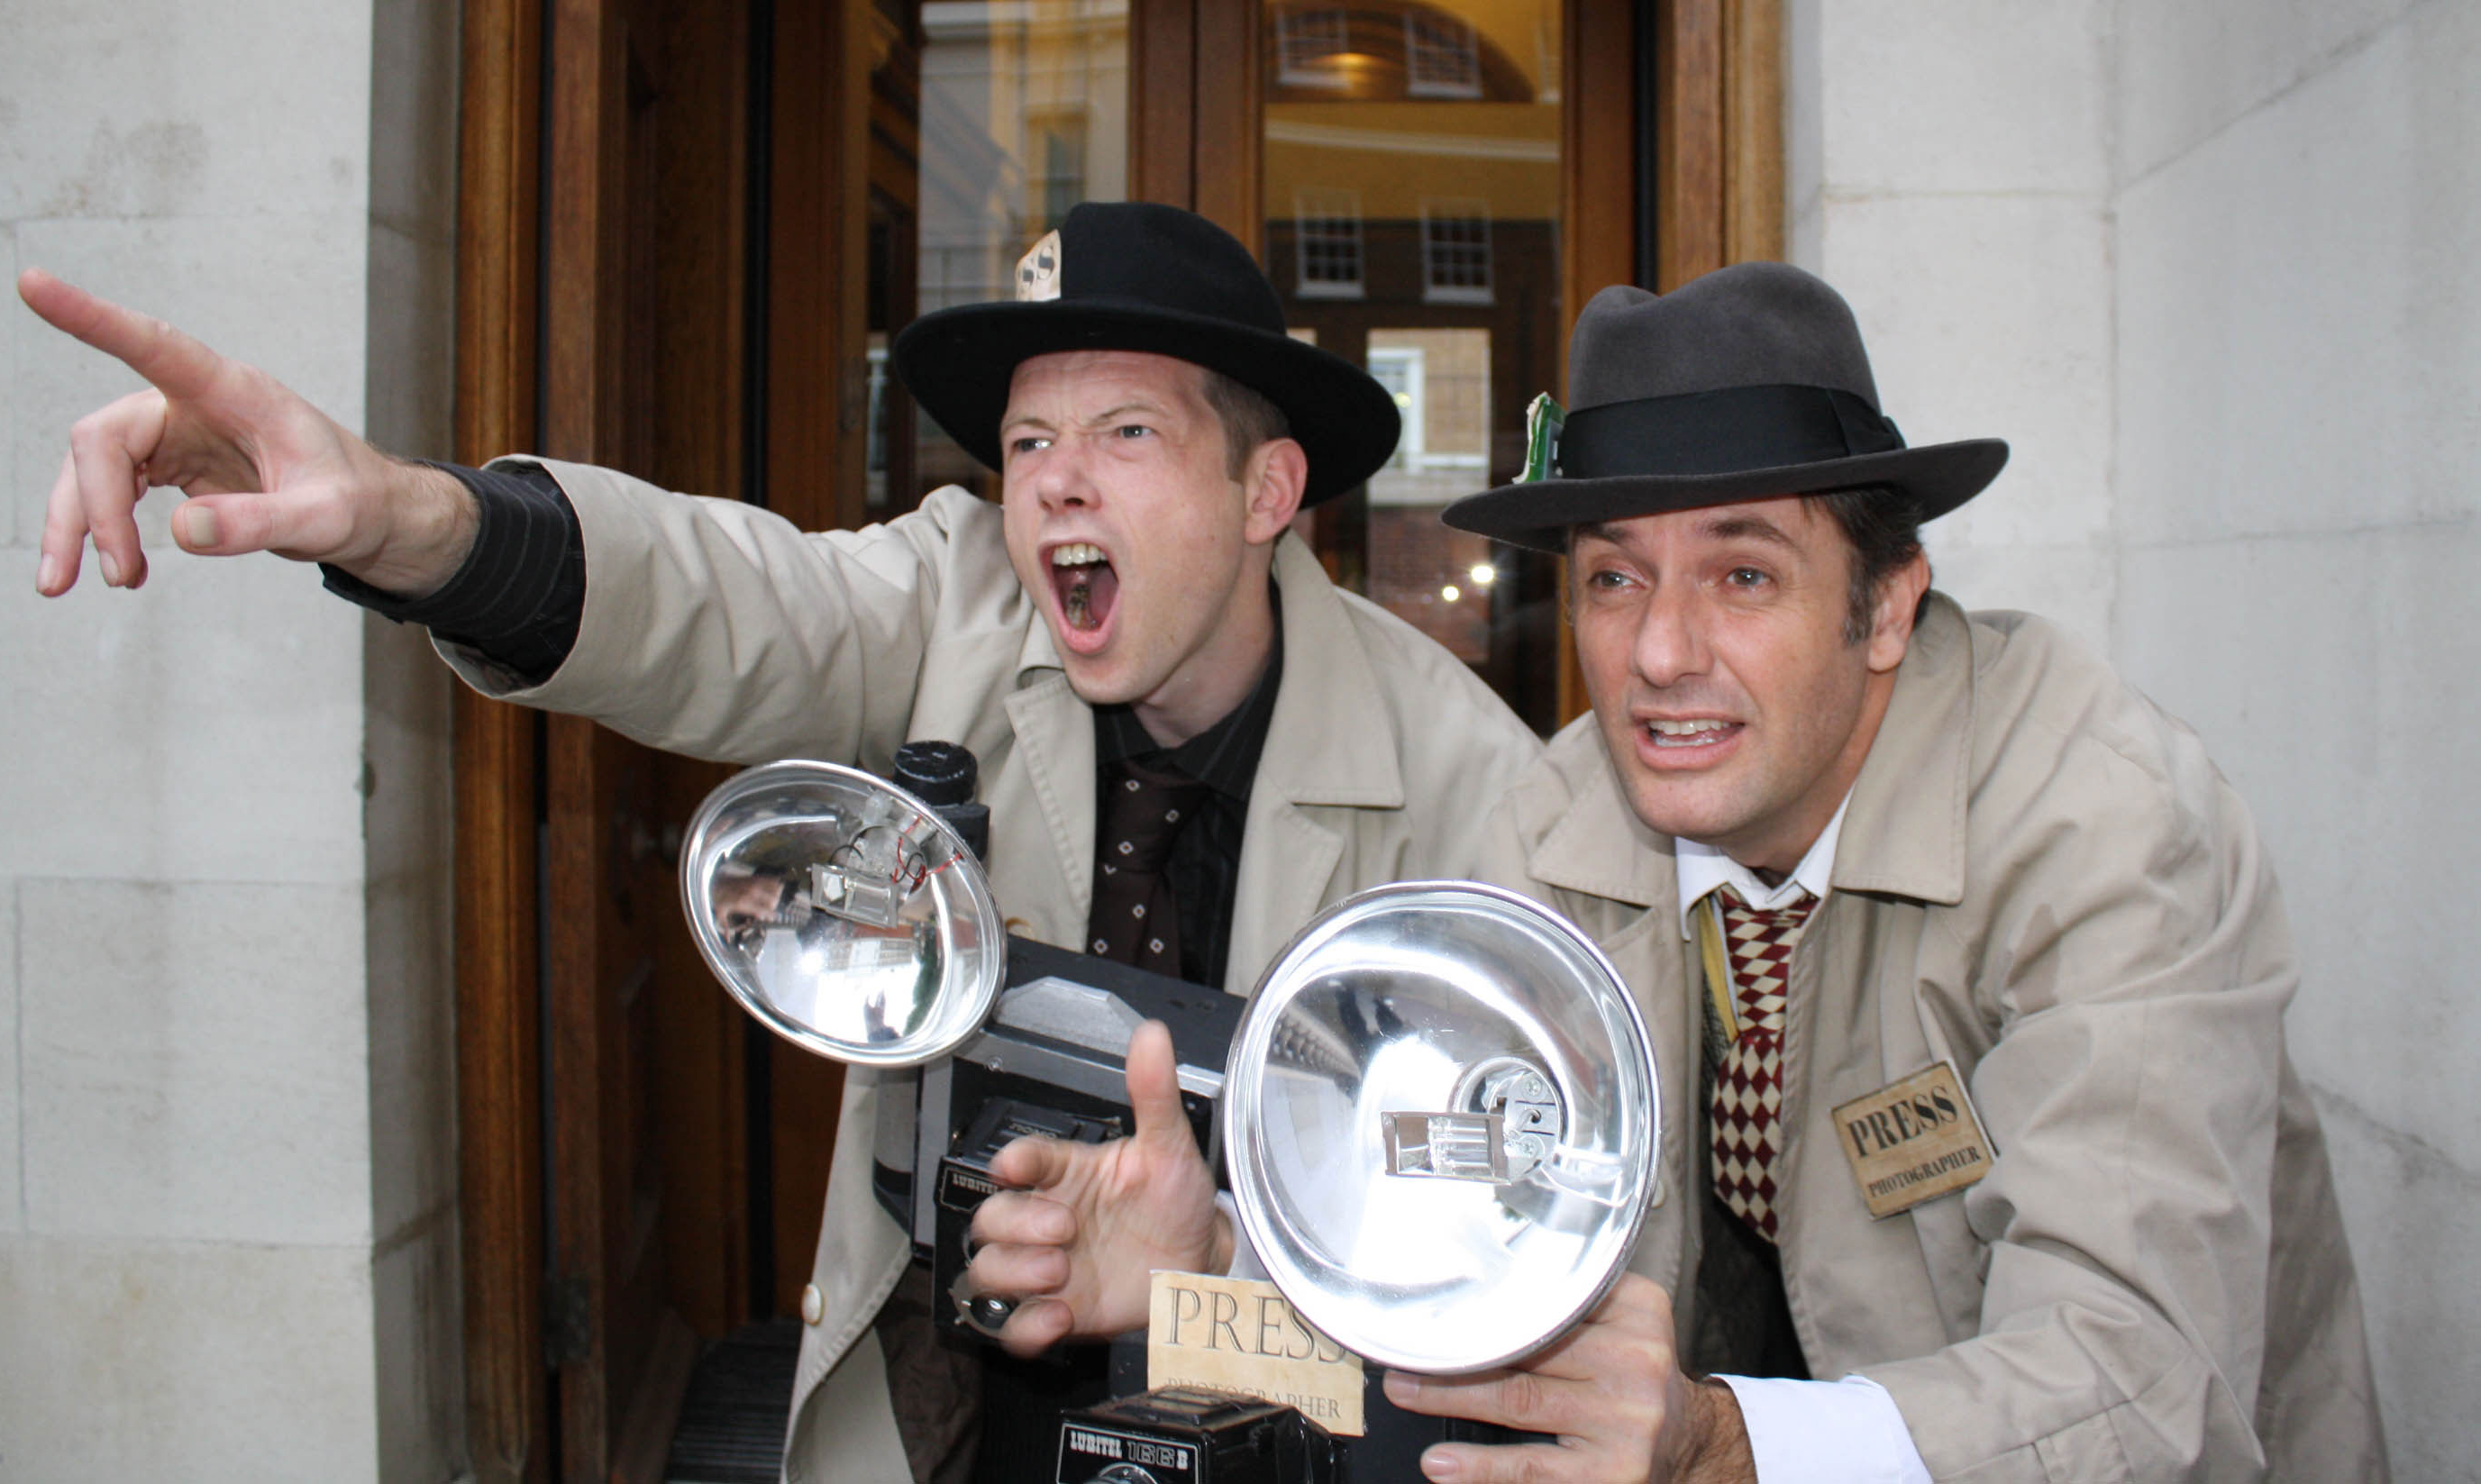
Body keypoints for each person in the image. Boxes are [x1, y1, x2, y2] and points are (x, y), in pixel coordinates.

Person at [19, 199, 1544, 1484]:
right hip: (958, 1404)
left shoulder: (1466, 783)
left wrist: (1211, 1279)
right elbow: (718, 597)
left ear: (1268, 488)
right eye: (1028, 440)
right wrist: (405, 525)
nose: (1057, 480)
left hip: (1296, 1417)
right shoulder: (957, 597)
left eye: (1127, 431)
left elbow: (1513, 1260)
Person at [962, 264, 2387, 1481]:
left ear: (1889, 605)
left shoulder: (2101, 827)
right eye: (1614, 577)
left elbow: (2139, 1386)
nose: (1658, 653)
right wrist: (1206, 1273)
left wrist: (1720, 1445)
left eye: (1743, 574)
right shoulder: (1554, 830)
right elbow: (1451, 1285)